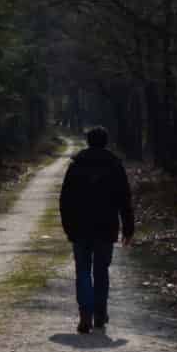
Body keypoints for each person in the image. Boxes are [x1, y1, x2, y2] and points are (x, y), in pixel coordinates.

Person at [58, 125, 135, 334]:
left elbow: (65, 200)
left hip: (80, 228)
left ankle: (85, 314)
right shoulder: (115, 165)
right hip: (106, 228)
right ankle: (100, 313)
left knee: (82, 271)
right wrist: (128, 229)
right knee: (101, 271)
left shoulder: (76, 165)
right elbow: (124, 199)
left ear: (88, 141)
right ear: (106, 142)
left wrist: (67, 226)